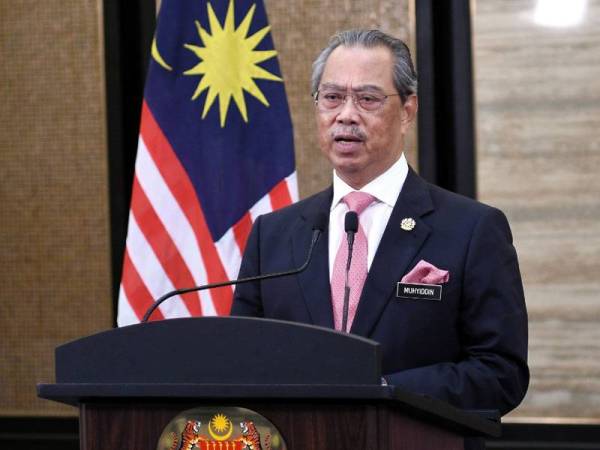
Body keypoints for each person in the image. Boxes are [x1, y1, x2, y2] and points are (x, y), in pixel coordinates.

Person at [232, 29, 528, 418]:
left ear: (407, 111)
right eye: (332, 97)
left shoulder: (472, 230)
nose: (345, 115)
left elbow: (500, 373)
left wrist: (383, 392)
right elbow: (242, 360)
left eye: (367, 99)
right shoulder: (273, 234)